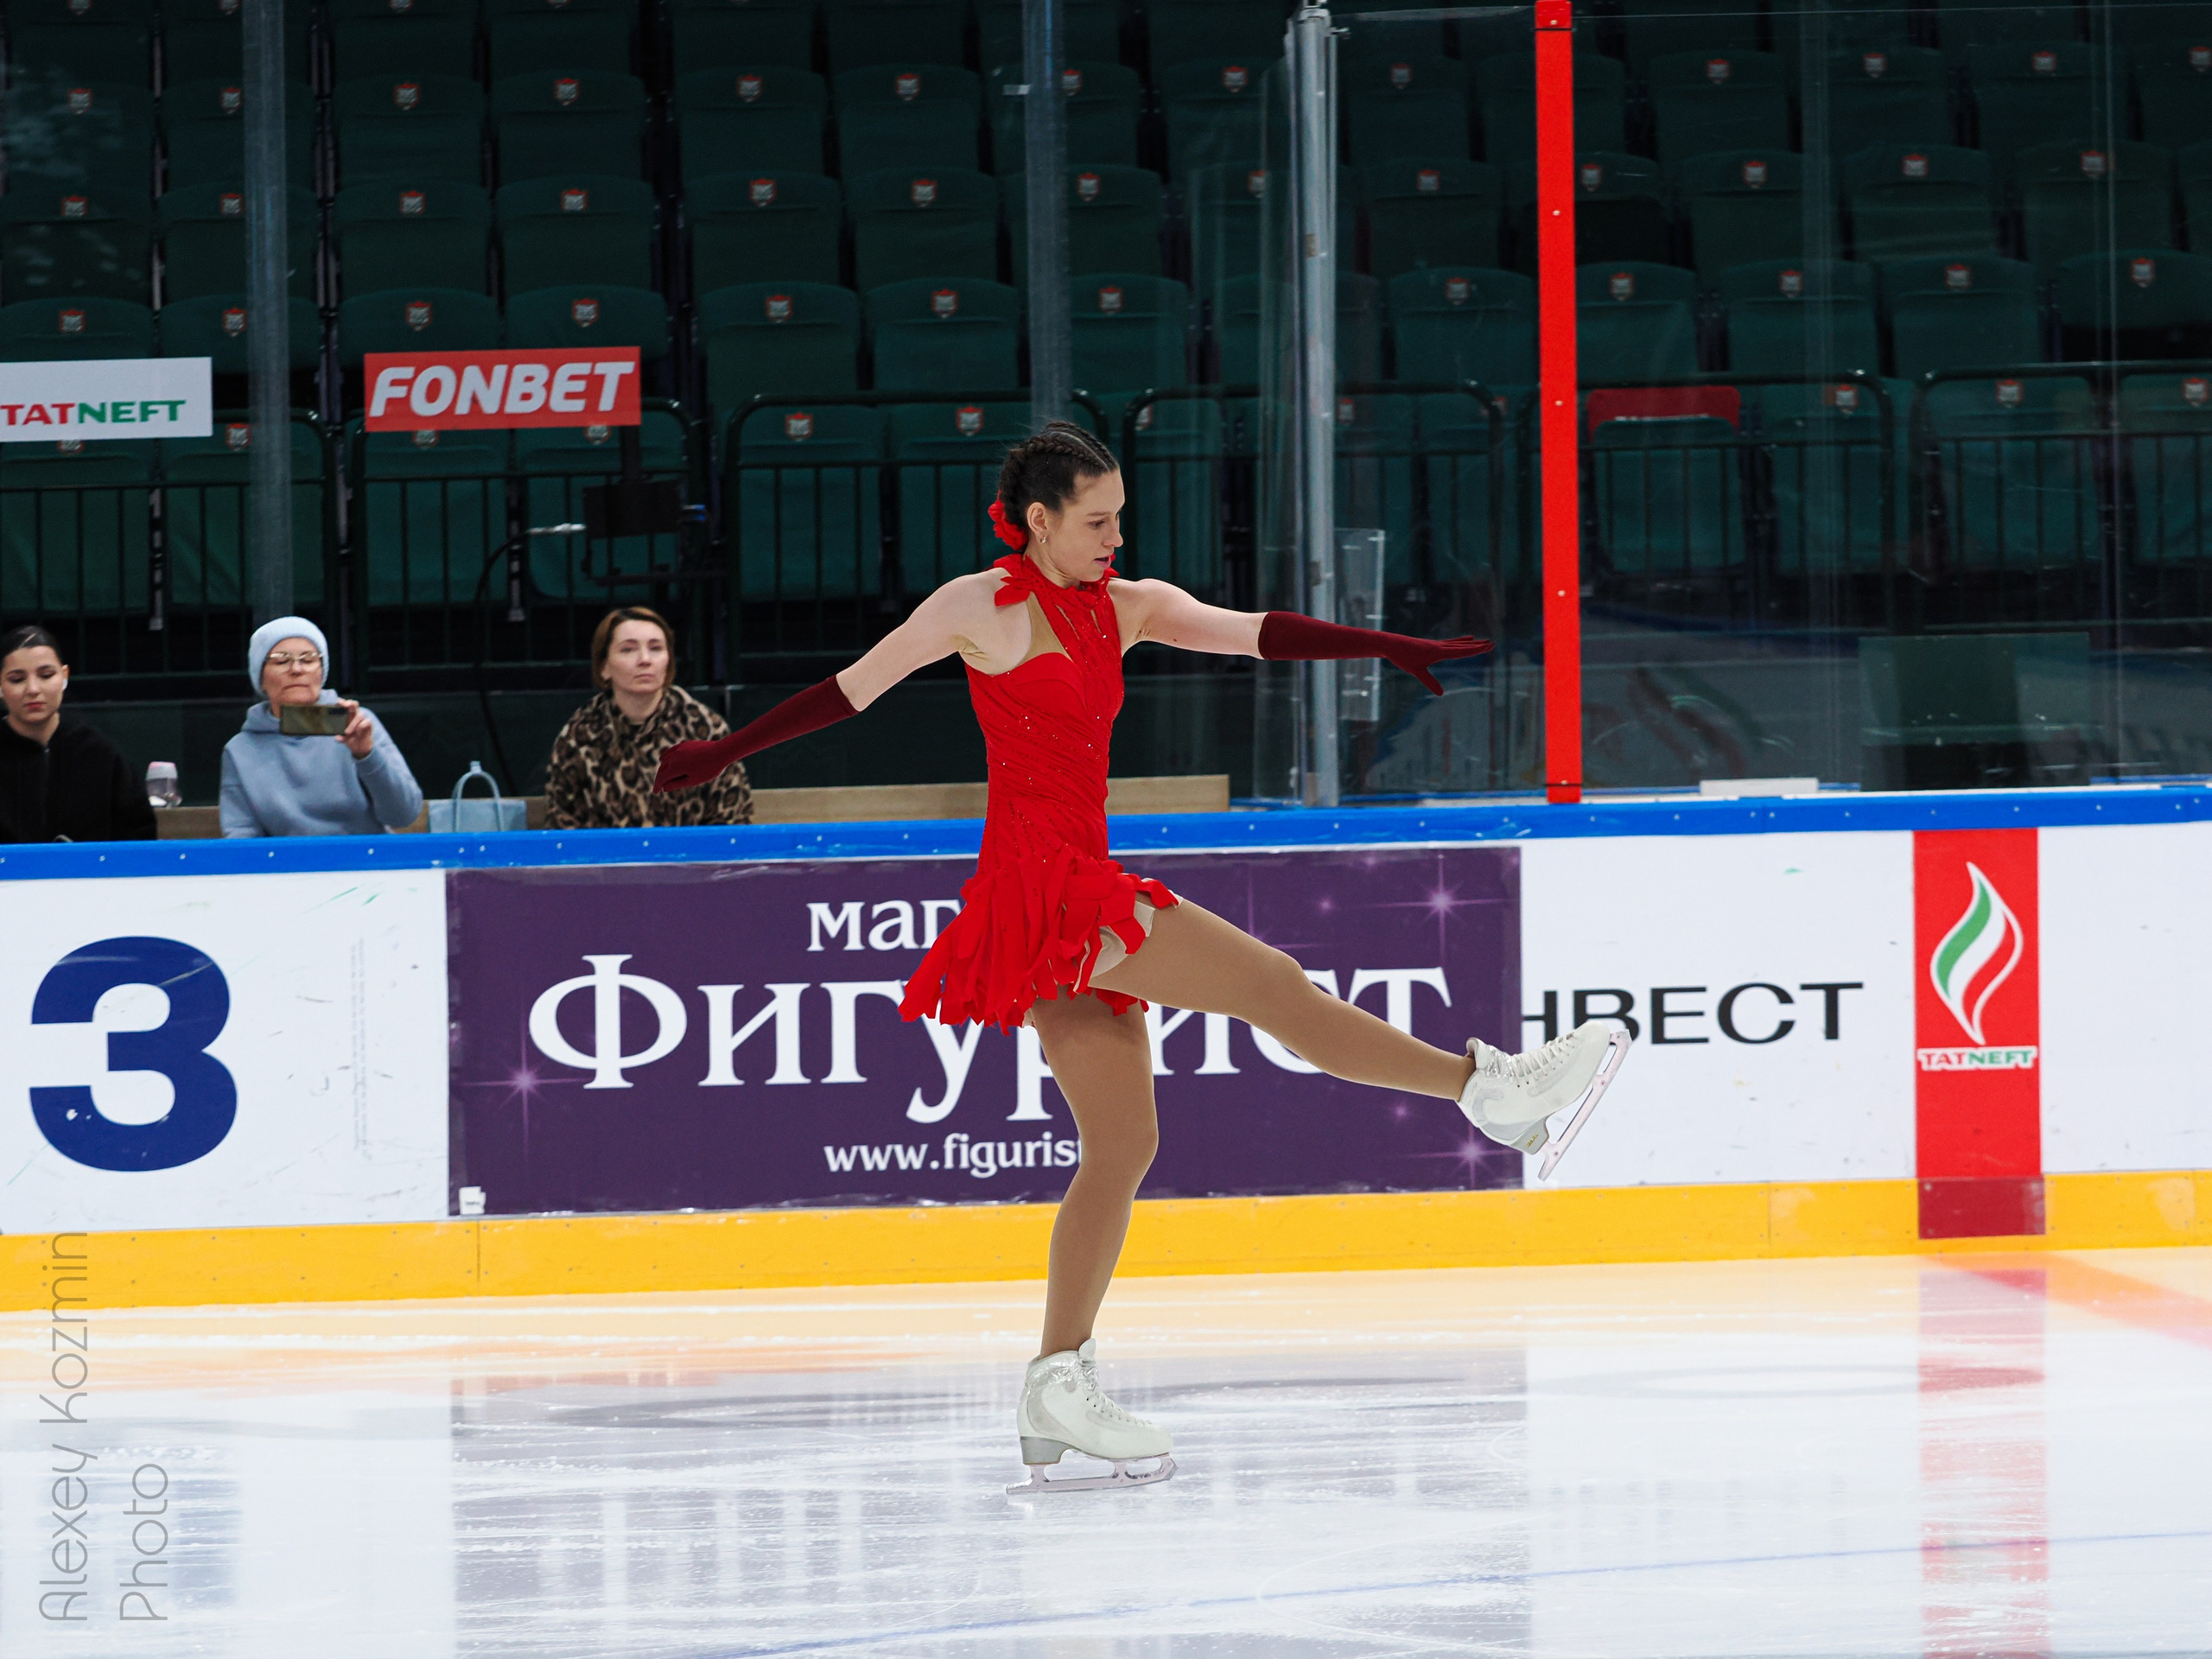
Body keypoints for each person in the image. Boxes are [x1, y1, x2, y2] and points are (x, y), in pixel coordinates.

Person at [653, 423, 1631, 1492]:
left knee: (1120, 1146)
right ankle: (1486, 1090)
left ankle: (1053, 1386)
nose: (1115, 536)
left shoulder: (1126, 610)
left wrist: (1381, 648)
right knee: (1272, 987)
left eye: (1119, 516)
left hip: (1066, 880)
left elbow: (1255, 633)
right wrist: (720, 753)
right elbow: (851, 690)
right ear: (1037, 520)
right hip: (1047, 887)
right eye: (1095, 520)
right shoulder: (974, 607)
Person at [543, 607, 753, 830]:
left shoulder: (706, 729)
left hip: (693, 861)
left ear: (669, 661)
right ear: (604, 666)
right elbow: (564, 827)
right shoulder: (579, 735)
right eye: (628, 650)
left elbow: (732, 822)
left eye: (655, 648)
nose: (645, 660)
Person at [220, 616, 424, 837]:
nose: (296, 669)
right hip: (288, 868)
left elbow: (404, 815)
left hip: (365, 863)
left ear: (321, 672)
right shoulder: (241, 749)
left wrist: (367, 755)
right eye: (281, 661)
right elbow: (241, 834)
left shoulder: (357, 723)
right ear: (261, 678)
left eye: (308, 659)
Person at [0, 624, 157, 844]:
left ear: (64, 676)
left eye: (46, 675)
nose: (33, 689)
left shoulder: (100, 753)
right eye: (17, 679)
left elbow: (138, 835)